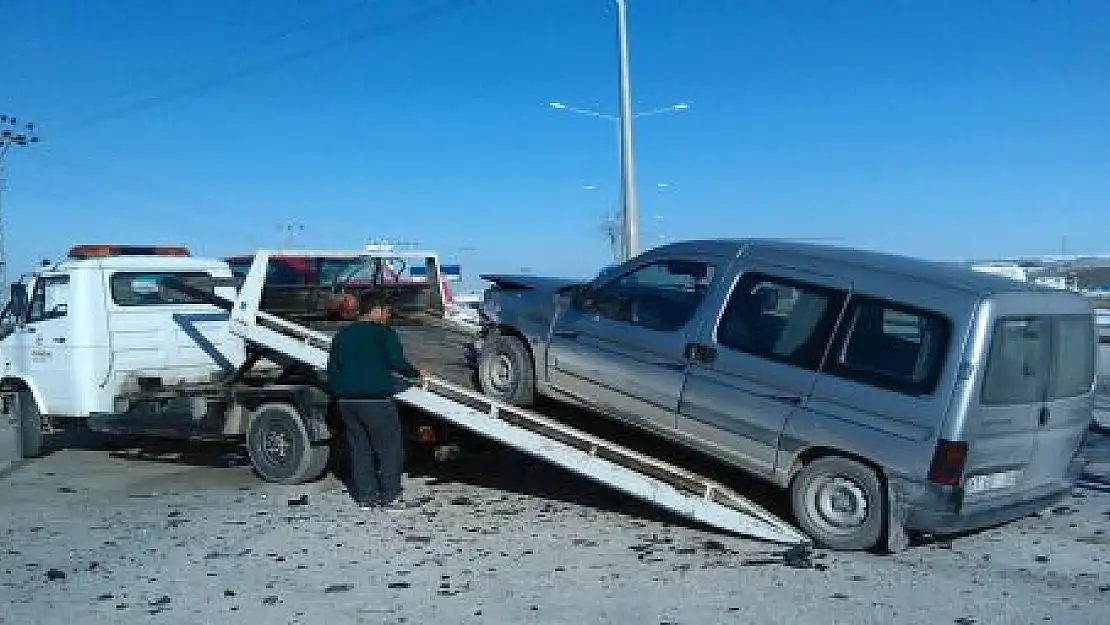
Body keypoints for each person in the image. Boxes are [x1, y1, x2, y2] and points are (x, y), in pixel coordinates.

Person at [326, 291, 423, 510]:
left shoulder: (342, 335)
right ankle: (390, 497)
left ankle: (366, 499)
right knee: (389, 449)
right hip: (376, 401)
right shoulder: (383, 333)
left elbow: (332, 370)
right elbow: (398, 363)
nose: (388, 317)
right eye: (387, 312)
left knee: (359, 449)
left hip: (347, 402)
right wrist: (417, 373)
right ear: (376, 310)